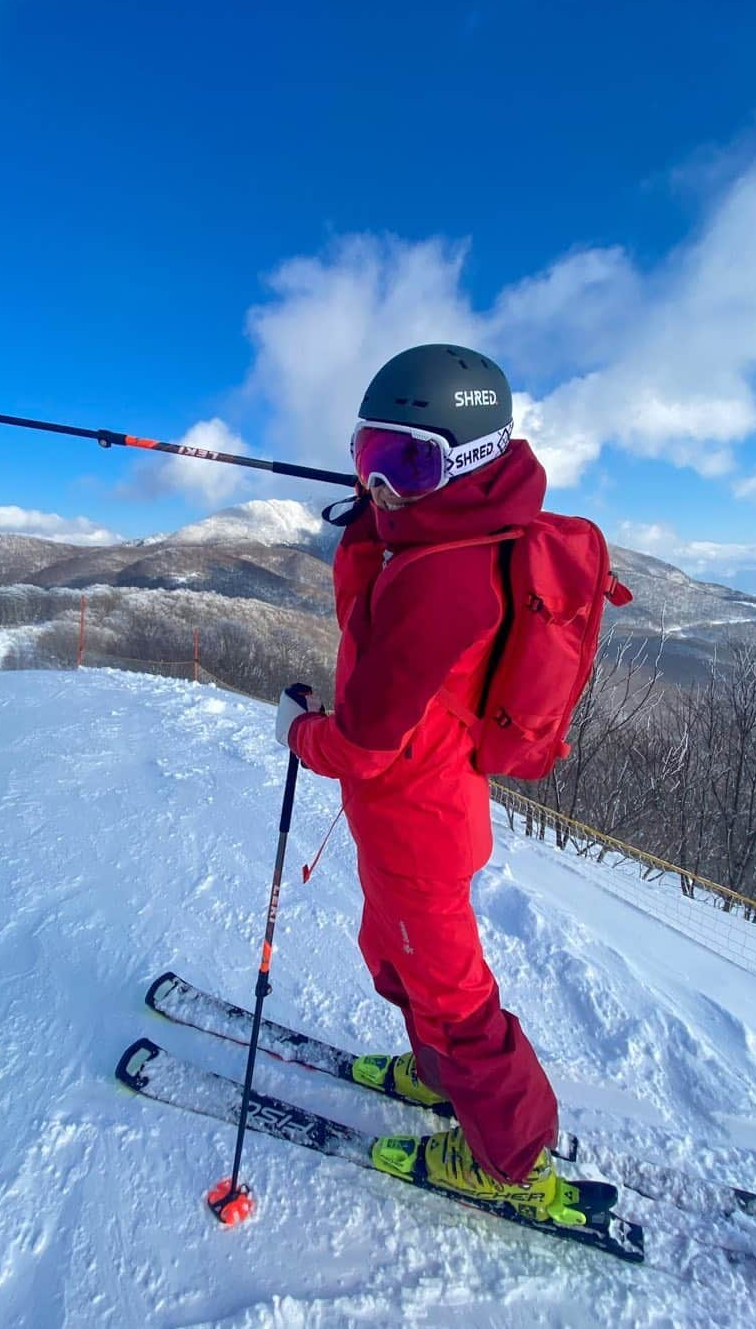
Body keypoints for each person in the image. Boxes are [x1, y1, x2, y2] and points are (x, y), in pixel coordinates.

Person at [274, 344, 576, 1221]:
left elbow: (363, 744)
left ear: (472, 461)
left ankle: (514, 1161)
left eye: (407, 464)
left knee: (455, 1001)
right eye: (370, 456)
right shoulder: (446, 527)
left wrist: (296, 733)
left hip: (417, 827)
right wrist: (385, 506)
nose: (380, 484)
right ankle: (440, 1072)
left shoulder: (440, 579)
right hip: (415, 815)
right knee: (394, 959)